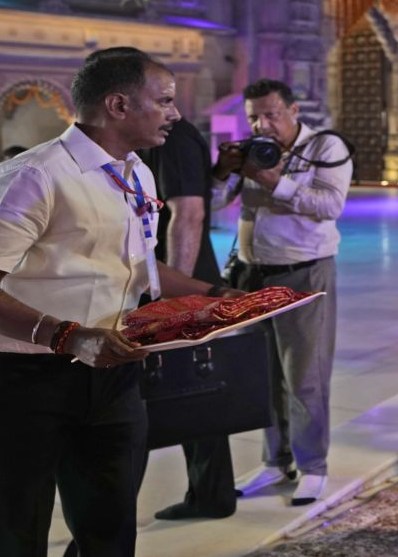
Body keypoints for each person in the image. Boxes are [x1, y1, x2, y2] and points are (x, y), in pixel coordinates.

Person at [0, 47, 236, 556]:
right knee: (7, 539)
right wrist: (68, 336)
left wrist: (218, 296)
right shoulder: (35, 176)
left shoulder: (136, 174)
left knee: (108, 534)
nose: (175, 113)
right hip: (16, 383)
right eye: (165, 100)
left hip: (111, 379)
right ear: (118, 105)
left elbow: (143, 270)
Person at [213, 79, 353, 506]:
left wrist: (274, 182)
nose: (263, 123)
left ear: (294, 110)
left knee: (304, 376)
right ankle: (276, 461)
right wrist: (224, 170)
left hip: (304, 274)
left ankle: (312, 466)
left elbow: (331, 204)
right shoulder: (253, 149)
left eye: (271, 114)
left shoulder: (325, 147)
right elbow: (216, 201)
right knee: (262, 374)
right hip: (252, 276)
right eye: (254, 115)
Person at [140, 117, 240, 520]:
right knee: (193, 393)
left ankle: (212, 494)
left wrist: (176, 297)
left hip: (182, 284)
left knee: (188, 392)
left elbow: (190, 214)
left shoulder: (172, 136)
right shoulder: (171, 137)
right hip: (182, 281)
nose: (168, 108)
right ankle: (211, 493)